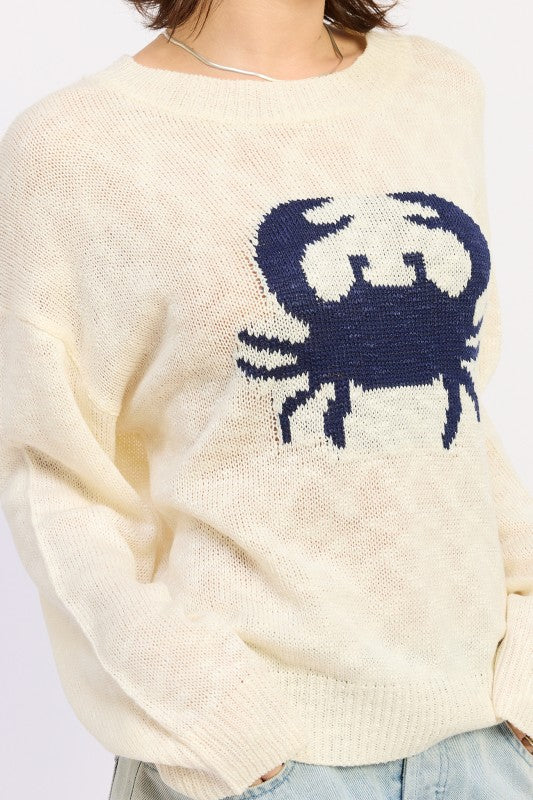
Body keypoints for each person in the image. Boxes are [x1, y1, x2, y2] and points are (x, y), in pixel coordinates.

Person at [0, 1, 531, 799]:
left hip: (486, 738)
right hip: (250, 759)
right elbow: (52, 475)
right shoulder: (76, 147)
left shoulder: (440, 89)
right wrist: (222, 724)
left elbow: (463, 425)